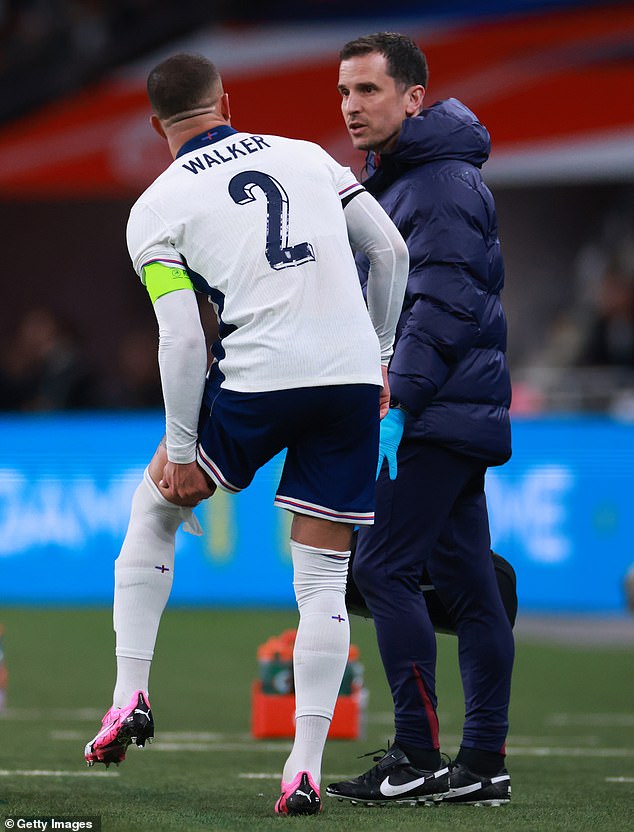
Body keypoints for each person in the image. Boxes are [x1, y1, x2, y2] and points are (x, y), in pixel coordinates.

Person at [82, 52, 409, 817]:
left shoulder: (156, 207)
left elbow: (185, 342)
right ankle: (303, 769)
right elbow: (390, 251)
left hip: (262, 379)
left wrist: (183, 448)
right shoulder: (306, 155)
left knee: (155, 510)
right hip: (353, 376)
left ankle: (130, 691)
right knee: (324, 582)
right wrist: (384, 355)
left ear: (157, 125)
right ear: (226, 100)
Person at [326, 33, 514, 807]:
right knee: (471, 586)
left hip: (432, 408)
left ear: (413, 98)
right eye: (343, 92)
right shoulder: (414, 178)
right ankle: (481, 766)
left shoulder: (434, 185)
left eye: (368, 91)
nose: (351, 107)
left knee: (380, 570)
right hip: (452, 407)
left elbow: (441, 307)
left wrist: (397, 401)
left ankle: (415, 756)